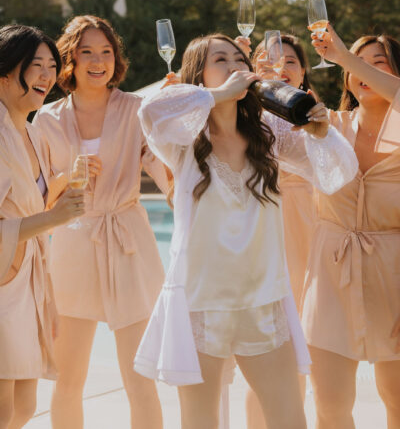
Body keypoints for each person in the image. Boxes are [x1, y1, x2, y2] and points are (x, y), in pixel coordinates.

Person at [134, 33, 358, 429]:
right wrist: (217, 96)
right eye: (221, 60)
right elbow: (149, 112)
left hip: (263, 301)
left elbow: (338, 174)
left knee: (290, 419)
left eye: (240, 59)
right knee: (201, 421)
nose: (236, 66)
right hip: (201, 303)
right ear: (199, 78)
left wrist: (322, 135)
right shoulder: (185, 140)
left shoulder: (269, 134)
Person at [33, 15, 169, 429]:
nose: (98, 61)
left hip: (129, 244)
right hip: (74, 248)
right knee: (68, 379)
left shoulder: (138, 110)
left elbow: (167, 171)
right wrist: (65, 177)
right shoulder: (46, 120)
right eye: (87, 52)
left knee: (139, 378)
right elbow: (35, 198)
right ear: (69, 59)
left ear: (117, 58)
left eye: (106, 51)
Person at [302, 24, 400, 429]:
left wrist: (345, 54)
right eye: (358, 64)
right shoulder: (329, 126)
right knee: (331, 405)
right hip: (330, 275)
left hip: (394, 277)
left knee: (397, 399)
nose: (364, 71)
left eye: (378, 63)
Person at [0, 25, 85, 429]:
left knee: (23, 408)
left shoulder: (29, 132)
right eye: (35, 66)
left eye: (52, 66)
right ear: (4, 71)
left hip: (25, 282)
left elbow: (25, 203)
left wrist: (59, 191)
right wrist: (53, 218)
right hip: (4, 283)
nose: (48, 76)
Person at [240, 34, 318, 428]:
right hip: (258, 236)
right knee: (264, 352)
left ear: (303, 72)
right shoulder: (242, 115)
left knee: (303, 350)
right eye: (270, 59)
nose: (281, 67)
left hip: (308, 235)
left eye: (291, 61)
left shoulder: (317, 118)